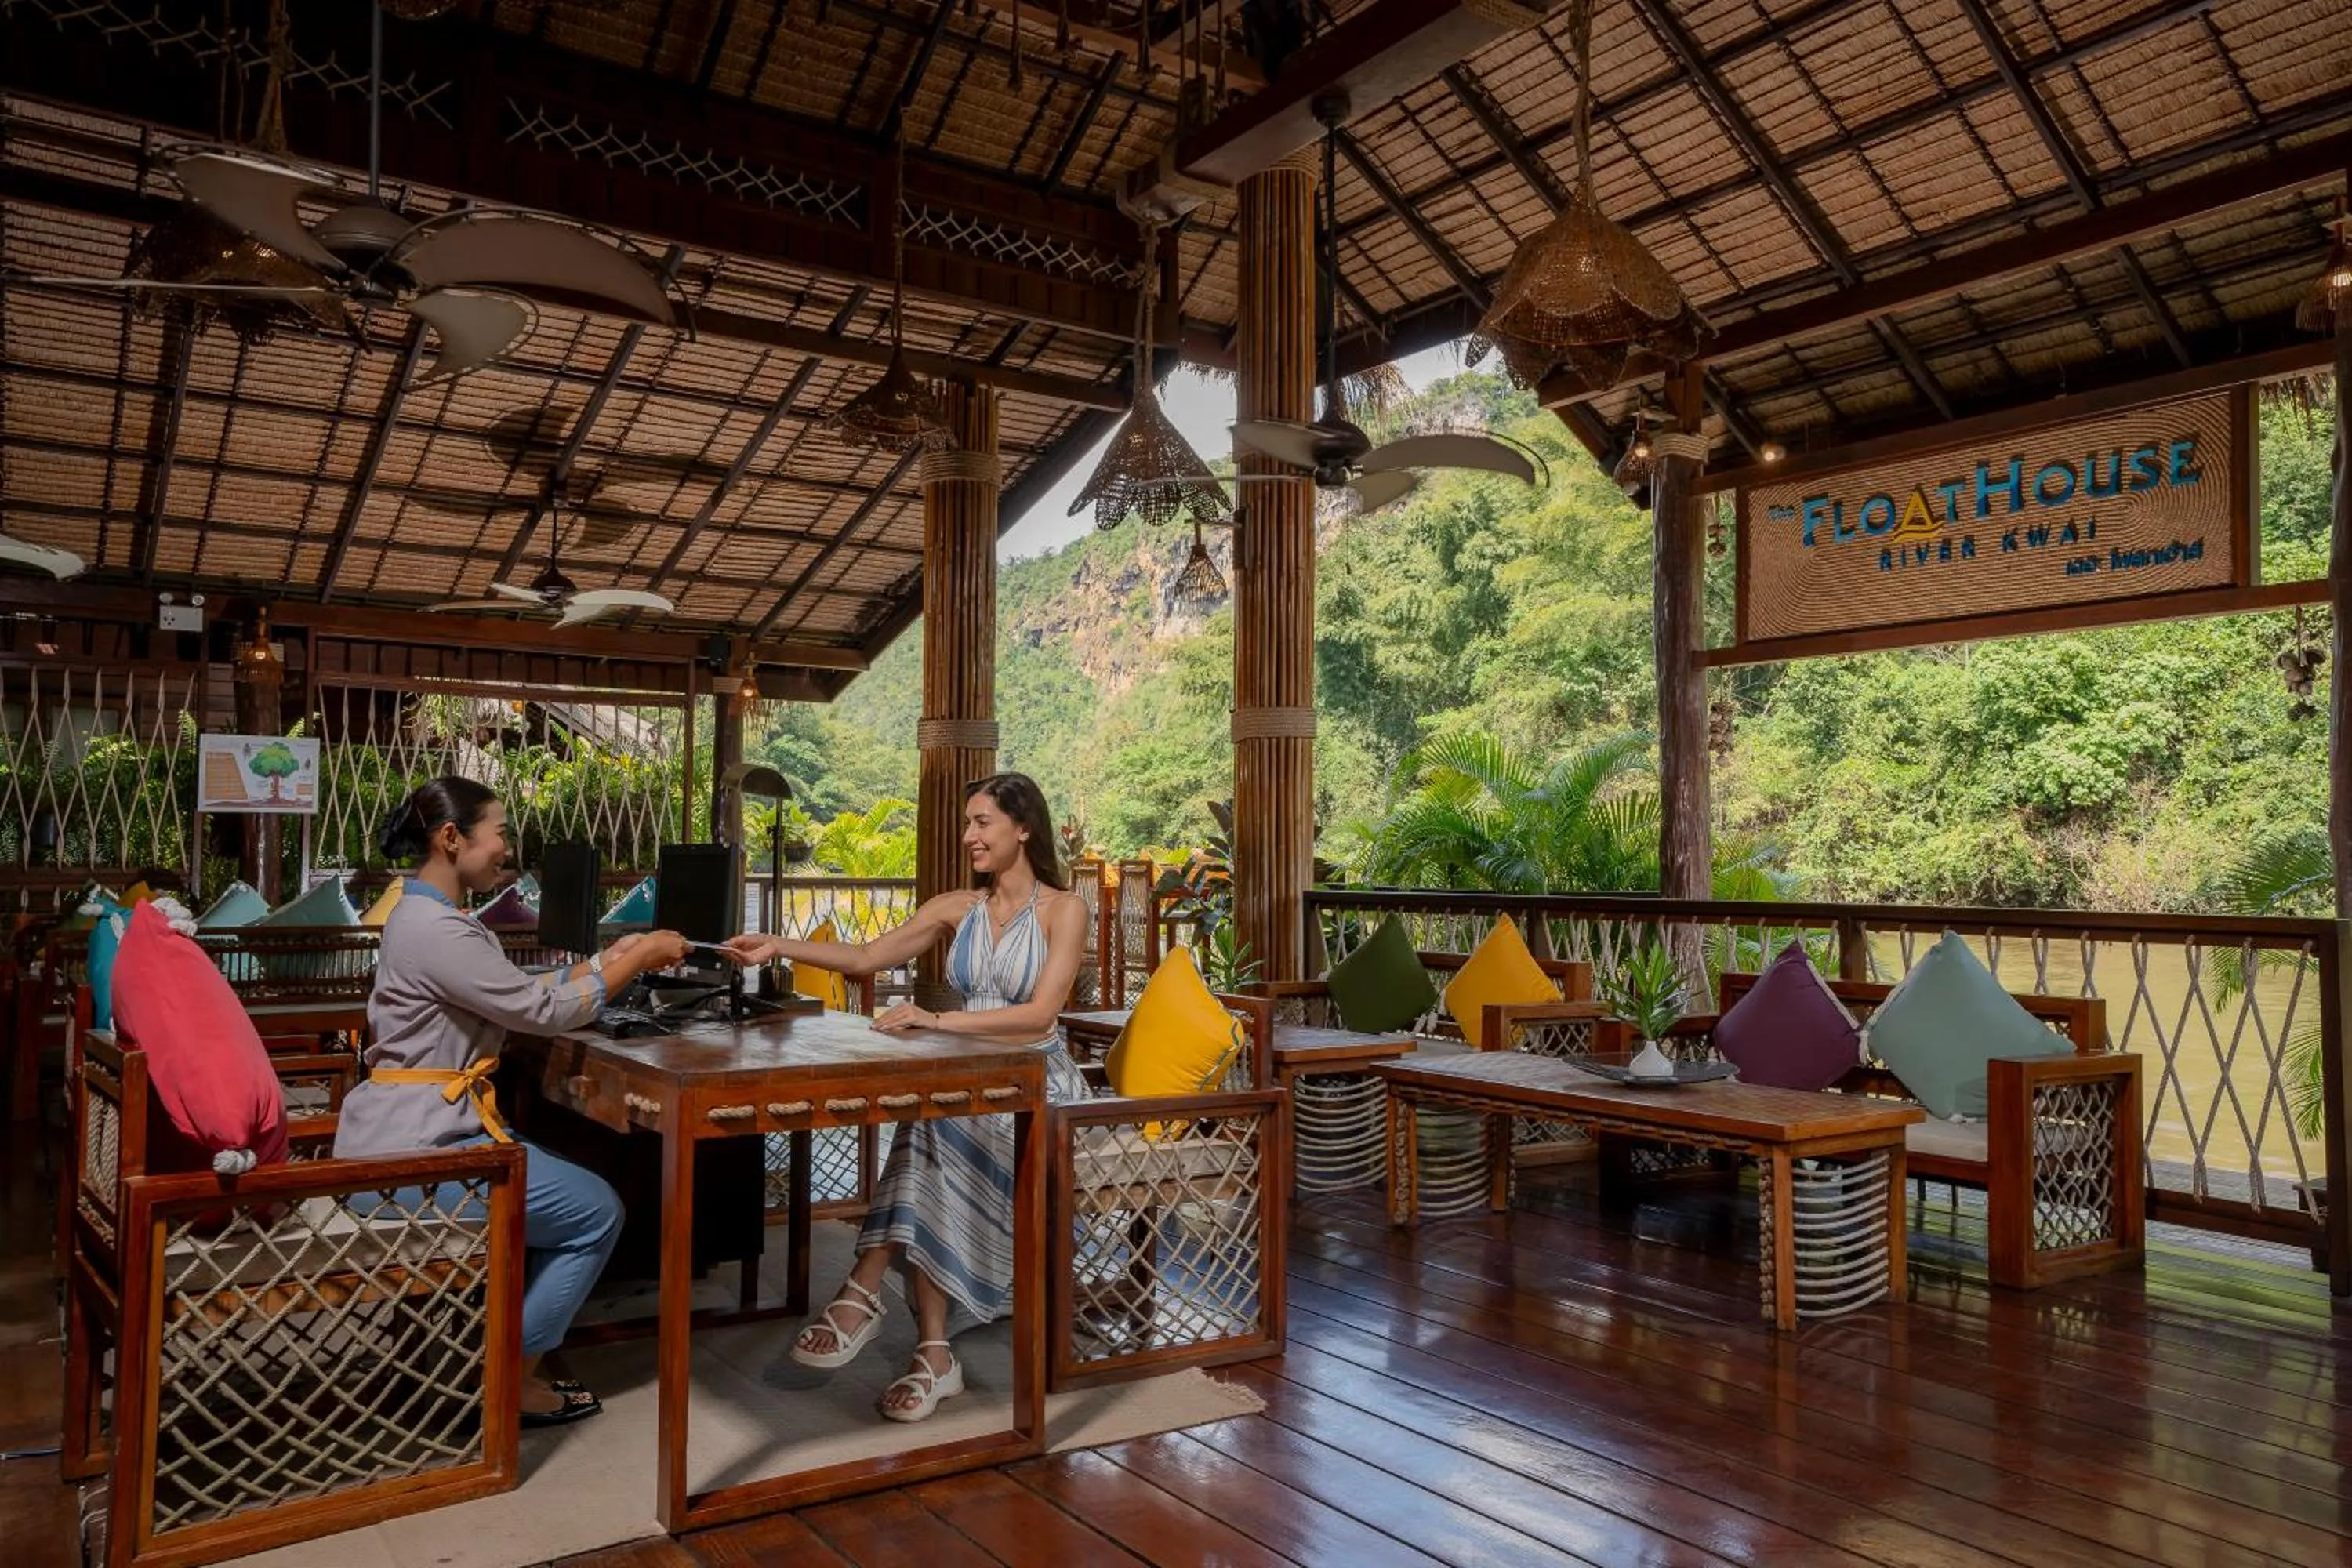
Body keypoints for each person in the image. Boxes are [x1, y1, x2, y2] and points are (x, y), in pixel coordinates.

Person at [720, 772, 1090, 1421]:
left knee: (931, 1124)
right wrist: (778, 942)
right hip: (969, 1084)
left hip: (1039, 1086)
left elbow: (1038, 1018)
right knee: (934, 1124)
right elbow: (866, 956)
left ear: (1023, 828)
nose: (969, 835)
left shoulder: (1065, 910)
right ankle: (933, 1352)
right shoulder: (958, 907)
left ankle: (871, 1292)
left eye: (983, 822)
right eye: (968, 822)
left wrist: (937, 1021)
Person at [337, 776, 691, 1428]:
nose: (508, 848)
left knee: (570, 1172)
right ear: (451, 838)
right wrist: (635, 961)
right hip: (415, 1155)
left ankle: (506, 1350)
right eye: (499, 831)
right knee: (597, 1212)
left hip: (405, 1134)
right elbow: (540, 1011)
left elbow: (518, 989)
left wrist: (602, 960)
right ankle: (508, 1379)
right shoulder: (440, 931)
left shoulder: (423, 918)